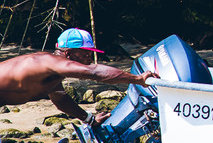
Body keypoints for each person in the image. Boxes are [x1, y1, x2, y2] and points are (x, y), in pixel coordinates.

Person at [0, 28, 158, 126]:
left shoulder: (52, 75)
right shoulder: (49, 62)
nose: (90, 58)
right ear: (68, 53)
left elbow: (61, 99)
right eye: (85, 53)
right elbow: (95, 72)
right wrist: (138, 79)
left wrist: (89, 119)